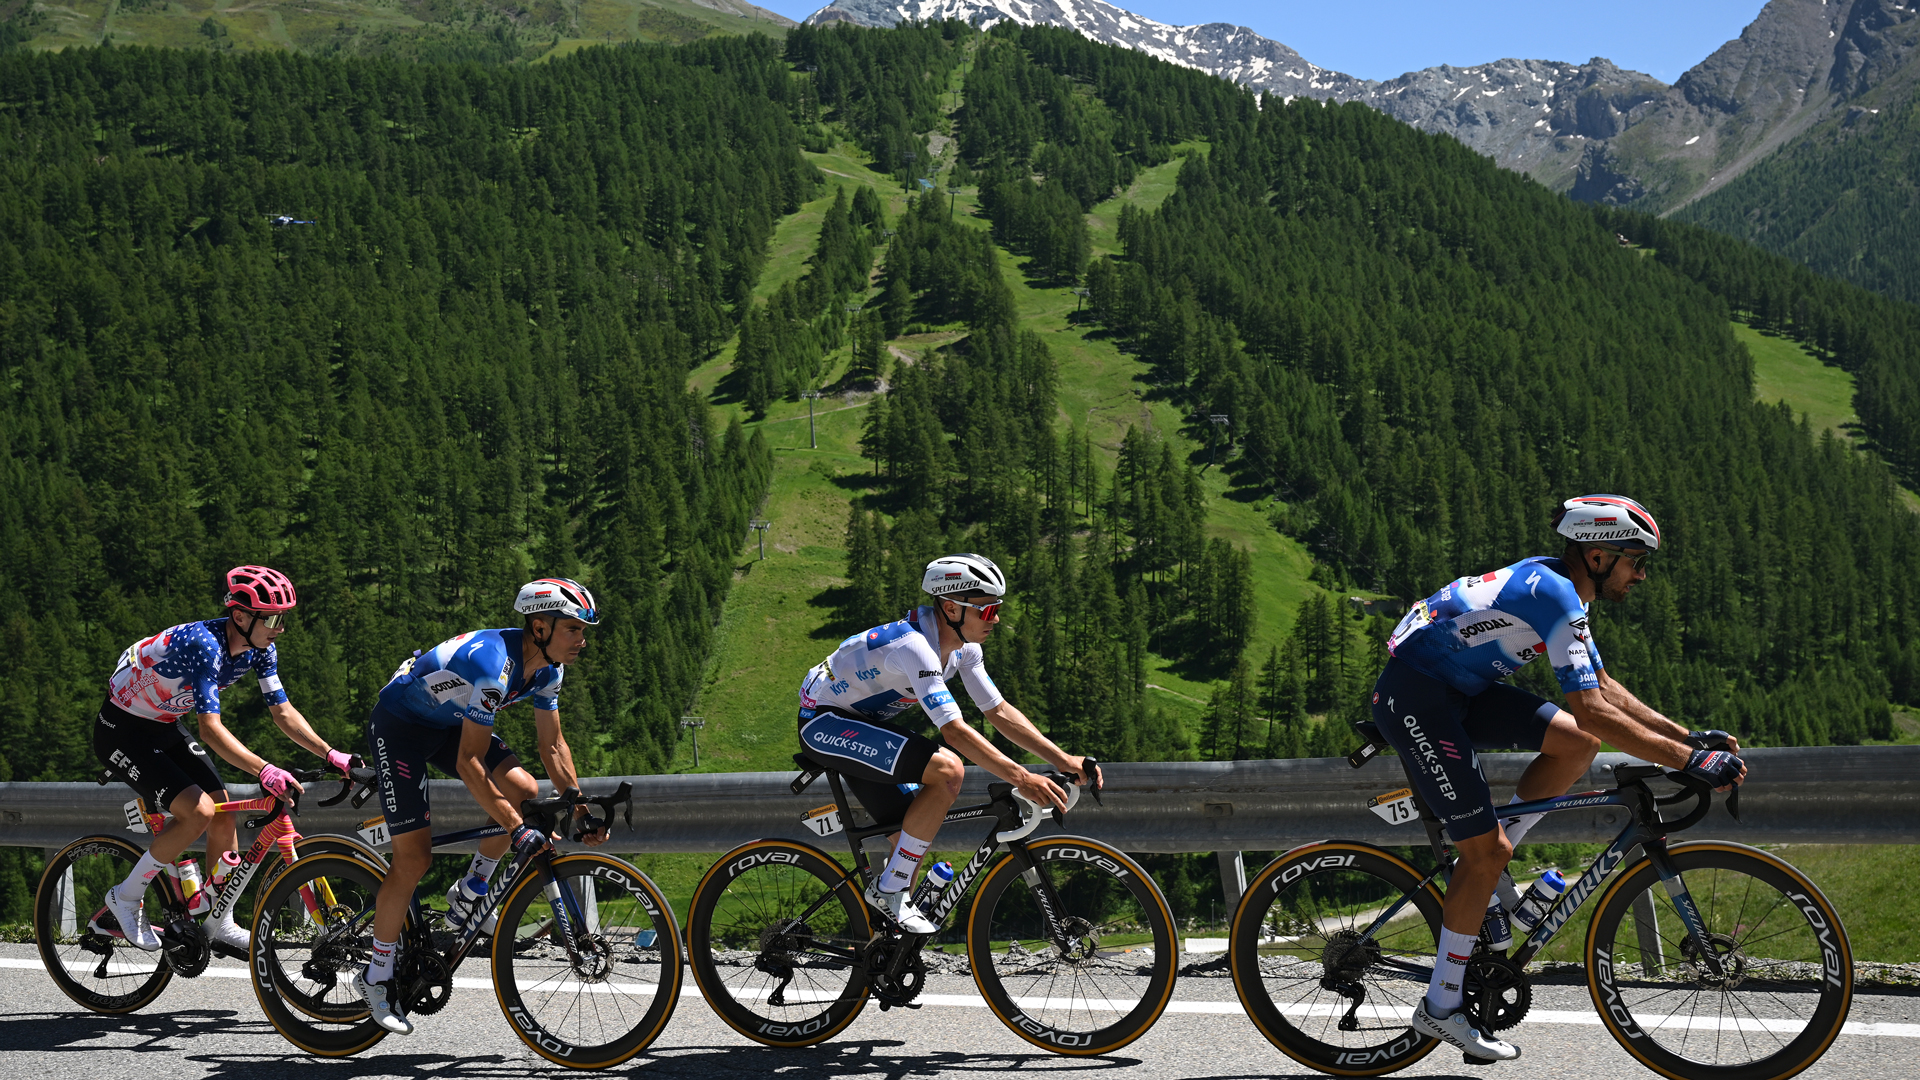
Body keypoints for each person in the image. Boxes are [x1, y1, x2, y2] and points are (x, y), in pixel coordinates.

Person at [1375, 495, 1746, 1061]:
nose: (1641, 575)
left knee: (1576, 743)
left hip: (1458, 691)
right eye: (1635, 561)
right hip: (1418, 698)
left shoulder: (1560, 587)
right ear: (1598, 555)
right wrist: (1687, 762)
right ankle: (1442, 1008)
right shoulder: (1554, 593)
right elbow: (1593, 705)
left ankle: (1494, 883)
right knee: (1485, 850)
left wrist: (1686, 737)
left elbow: (1600, 684)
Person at [355, 577, 611, 1036]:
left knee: (526, 793)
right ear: (540, 626)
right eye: (572, 628)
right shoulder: (494, 666)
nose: (582, 639)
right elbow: (468, 762)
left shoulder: (549, 669)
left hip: (450, 719)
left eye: (583, 629)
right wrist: (516, 830)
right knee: (413, 858)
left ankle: (470, 891)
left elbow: (552, 746)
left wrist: (578, 809)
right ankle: (375, 976)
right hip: (401, 728)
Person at [796, 553, 1100, 934]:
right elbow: (953, 733)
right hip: (824, 723)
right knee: (947, 769)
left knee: (908, 845)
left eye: (997, 609)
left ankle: (883, 952)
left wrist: (1063, 758)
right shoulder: (915, 647)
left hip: (862, 723)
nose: (997, 620)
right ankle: (888, 893)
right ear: (952, 607)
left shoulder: (964, 649)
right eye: (987, 611)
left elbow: (998, 712)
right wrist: (1022, 779)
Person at [94, 565, 355, 953]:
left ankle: (220, 918)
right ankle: (125, 898)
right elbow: (210, 730)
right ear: (240, 616)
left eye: (282, 618)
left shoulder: (259, 650)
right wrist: (265, 769)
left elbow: (282, 712)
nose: (280, 627)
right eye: (272, 618)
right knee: (198, 812)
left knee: (223, 811)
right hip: (122, 731)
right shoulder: (206, 646)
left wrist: (332, 754)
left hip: (164, 723)